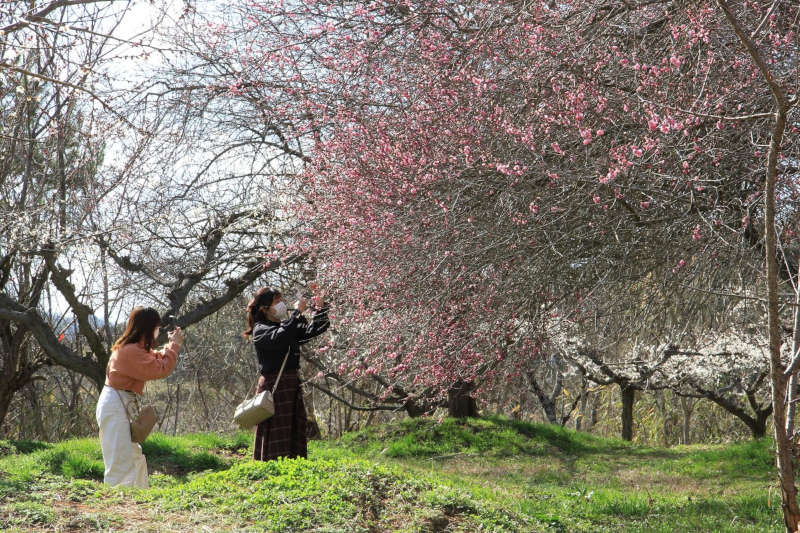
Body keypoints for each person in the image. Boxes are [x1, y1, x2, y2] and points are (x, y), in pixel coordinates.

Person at [95, 307, 183, 488]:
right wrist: (174, 346)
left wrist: (170, 346)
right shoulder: (131, 351)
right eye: (156, 327)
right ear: (149, 328)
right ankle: (118, 505)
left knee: (134, 456)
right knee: (120, 462)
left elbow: (157, 358)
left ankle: (139, 499)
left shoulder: (133, 348)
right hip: (115, 405)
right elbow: (161, 368)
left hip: (119, 402)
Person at [243, 287, 330, 461]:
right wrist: (297, 313)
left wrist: (320, 308)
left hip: (290, 384)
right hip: (274, 386)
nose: (282, 304)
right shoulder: (261, 329)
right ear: (264, 308)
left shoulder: (284, 326)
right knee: (275, 428)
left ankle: (294, 467)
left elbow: (311, 330)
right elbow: (279, 338)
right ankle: (269, 467)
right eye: (277, 302)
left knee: (294, 427)